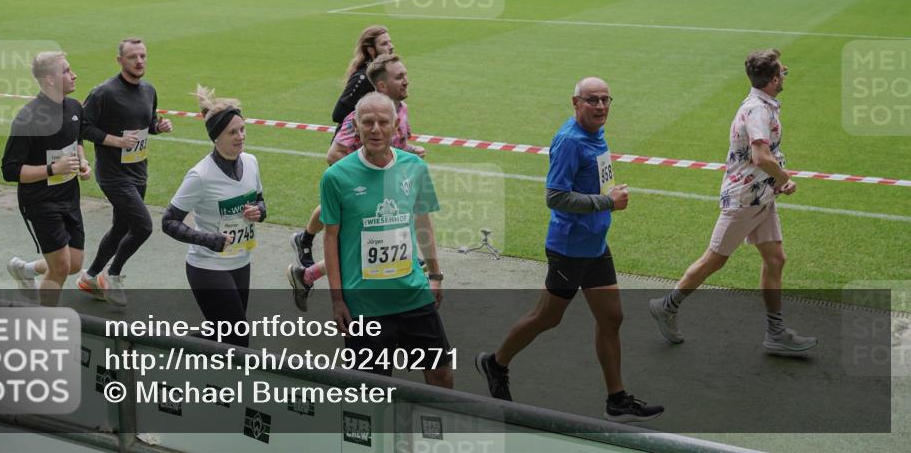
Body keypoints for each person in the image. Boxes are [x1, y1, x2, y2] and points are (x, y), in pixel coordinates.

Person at [476, 77, 664, 423]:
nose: (601, 106)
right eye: (592, 100)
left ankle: (616, 398)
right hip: (569, 249)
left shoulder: (595, 133)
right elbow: (555, 196)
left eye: (606, 99)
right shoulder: (569, 141)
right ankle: (496, 363)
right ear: (575, 103)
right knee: (547, 317)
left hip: (595, 245)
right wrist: (607, 200)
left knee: (612, 318)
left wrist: (607, 192)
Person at [649, 50, 815, 353]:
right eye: (783, 71)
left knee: (776, 259)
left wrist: (775, 181)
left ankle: (775, 332)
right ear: (774, 78)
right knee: (714, 259)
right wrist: (782, 178)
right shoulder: (757, 110)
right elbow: (760, 155)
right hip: (744, 200)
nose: (785, 74)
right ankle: (666, 306)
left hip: (760, 196)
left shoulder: (763, 103)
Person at [321, 92, 452, 387]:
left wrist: (435, 273)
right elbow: (330, 239)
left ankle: (432, 433)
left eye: (383, 122)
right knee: (371, 391)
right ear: (356, 126)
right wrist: (337, 299)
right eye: (368, 122)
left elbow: (423, 220)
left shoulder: (414, 168)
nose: (375, 129)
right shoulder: (336, 177)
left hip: (412, 294)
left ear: (396, 126)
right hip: (365, 303)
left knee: (442, 375)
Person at [287, 54, 425, 311]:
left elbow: (396, 146)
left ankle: (305, 276)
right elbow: (333, 155)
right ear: (383, 86)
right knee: (360, 252)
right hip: (365, 197)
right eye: (400, 76)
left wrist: (409, 152)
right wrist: (366, 176)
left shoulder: (401, 111)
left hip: (391, 196)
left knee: (372, 254)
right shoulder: (358, 118)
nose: (407, 81)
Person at [161, 86, 265, 348]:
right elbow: (169, 221)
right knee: (238, 338)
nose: (240, 137)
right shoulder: (200, 175)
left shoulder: (251, 162)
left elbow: (260, 201)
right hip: (208, 266)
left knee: (222, 336)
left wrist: (260, 212)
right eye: (232, 132)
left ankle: (170, 346)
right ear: (216, 137)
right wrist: (207, 239)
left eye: (242, 129)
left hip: (241, 260)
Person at [77, 38, 173, 306]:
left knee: (120, 227)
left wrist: (159, 127)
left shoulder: (149, 90)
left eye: (143, 56)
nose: (139, 61)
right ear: (120, 61)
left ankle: (91, 276)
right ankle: (113, 274)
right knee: (142, 226)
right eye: (133, 57)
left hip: (139, 171)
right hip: (112, 174)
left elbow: (146, 123)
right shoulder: (104, 93)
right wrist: (115, 141)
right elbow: (82, 128)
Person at [290, 26, 395, 268]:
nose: (390, 47)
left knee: (343, 202)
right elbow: (338, 112)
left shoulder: (379, 77)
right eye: (384, 44)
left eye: (391, 43)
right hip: (346, 150)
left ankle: (304, 239)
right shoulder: (362, 78)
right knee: (353, 203)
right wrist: (360, 120)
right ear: (371, 50)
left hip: (367, 150)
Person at [2, 51, 92, 306]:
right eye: (66, 71)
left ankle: (25, 269)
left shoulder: (74, 107)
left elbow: (77, 140)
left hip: (69, 197)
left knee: (74, 264)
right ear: (50, 81)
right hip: (40, 201)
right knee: (61, 267)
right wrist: (54, 169)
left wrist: (82, 162)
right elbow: (10, 170)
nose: (74, 75)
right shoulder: (28, 118)